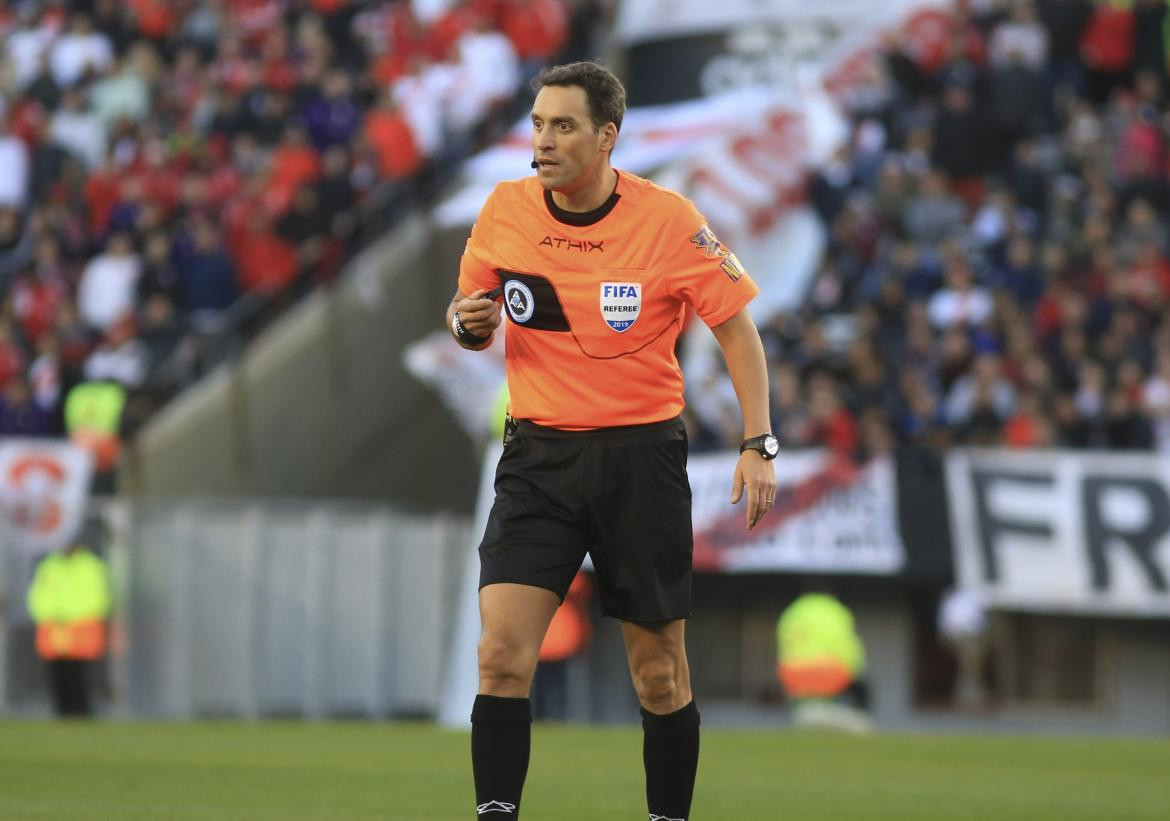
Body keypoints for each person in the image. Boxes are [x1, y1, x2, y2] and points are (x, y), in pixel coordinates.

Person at [447, 61, 777, 820]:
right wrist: (467, 326)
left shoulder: (666, 220)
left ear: (606, 138)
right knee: (499, 657)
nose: (544, 140)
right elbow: (468, 311)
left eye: (563, 126)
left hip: (641, 460)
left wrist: (759, 442)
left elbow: (736, 328)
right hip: (538, 459)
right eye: (537, 124)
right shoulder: (505, 209)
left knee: (659, 675)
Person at [26, 540, 113, 717]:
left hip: (82, 626)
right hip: (54, 626)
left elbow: (100, 596)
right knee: (57, 672)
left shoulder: (91, 566)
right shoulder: (49, 566)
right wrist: (49, 615)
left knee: (79, 672)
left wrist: (75, 616)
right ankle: (61, 710)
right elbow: (38, 595)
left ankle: (82, 710)